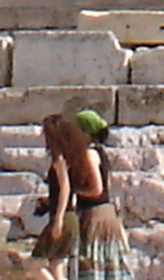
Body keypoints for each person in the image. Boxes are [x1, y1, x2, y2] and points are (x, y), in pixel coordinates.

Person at [26, 111, 131, 280]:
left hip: (94, 217)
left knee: (91, 266)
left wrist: (69, 193)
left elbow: (96, 189)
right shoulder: (100, 153)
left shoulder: (88, 154)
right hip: (105, 213)